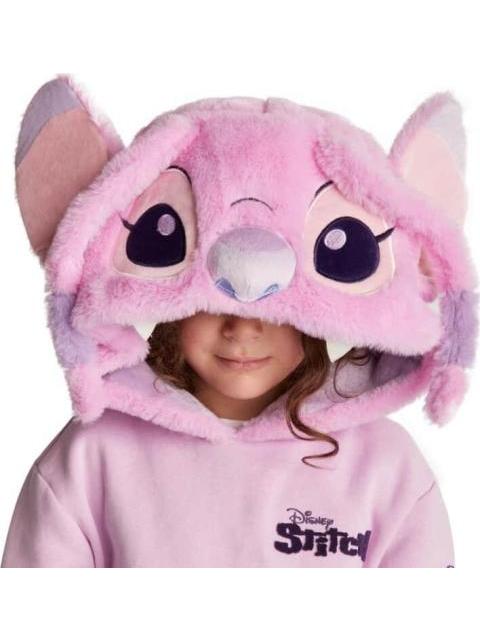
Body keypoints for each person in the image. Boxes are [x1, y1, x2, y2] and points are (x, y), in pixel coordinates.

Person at [1, 75, 477, 567]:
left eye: (273, 310)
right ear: (170, 302)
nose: (242, 330)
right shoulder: (90, 457)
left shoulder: (388, 468)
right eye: (213, 304)